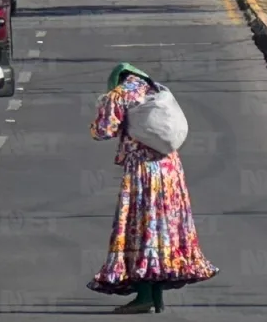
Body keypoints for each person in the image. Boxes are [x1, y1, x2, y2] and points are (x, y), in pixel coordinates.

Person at [87, 63, 217, 313]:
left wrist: (102, 110)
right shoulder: (155, 89)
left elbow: (102, 131)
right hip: (170, 169)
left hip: (143, 171)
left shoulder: (119, 95)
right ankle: (155, 297)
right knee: (163, 229)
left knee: (142, 227)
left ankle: (145, 295)